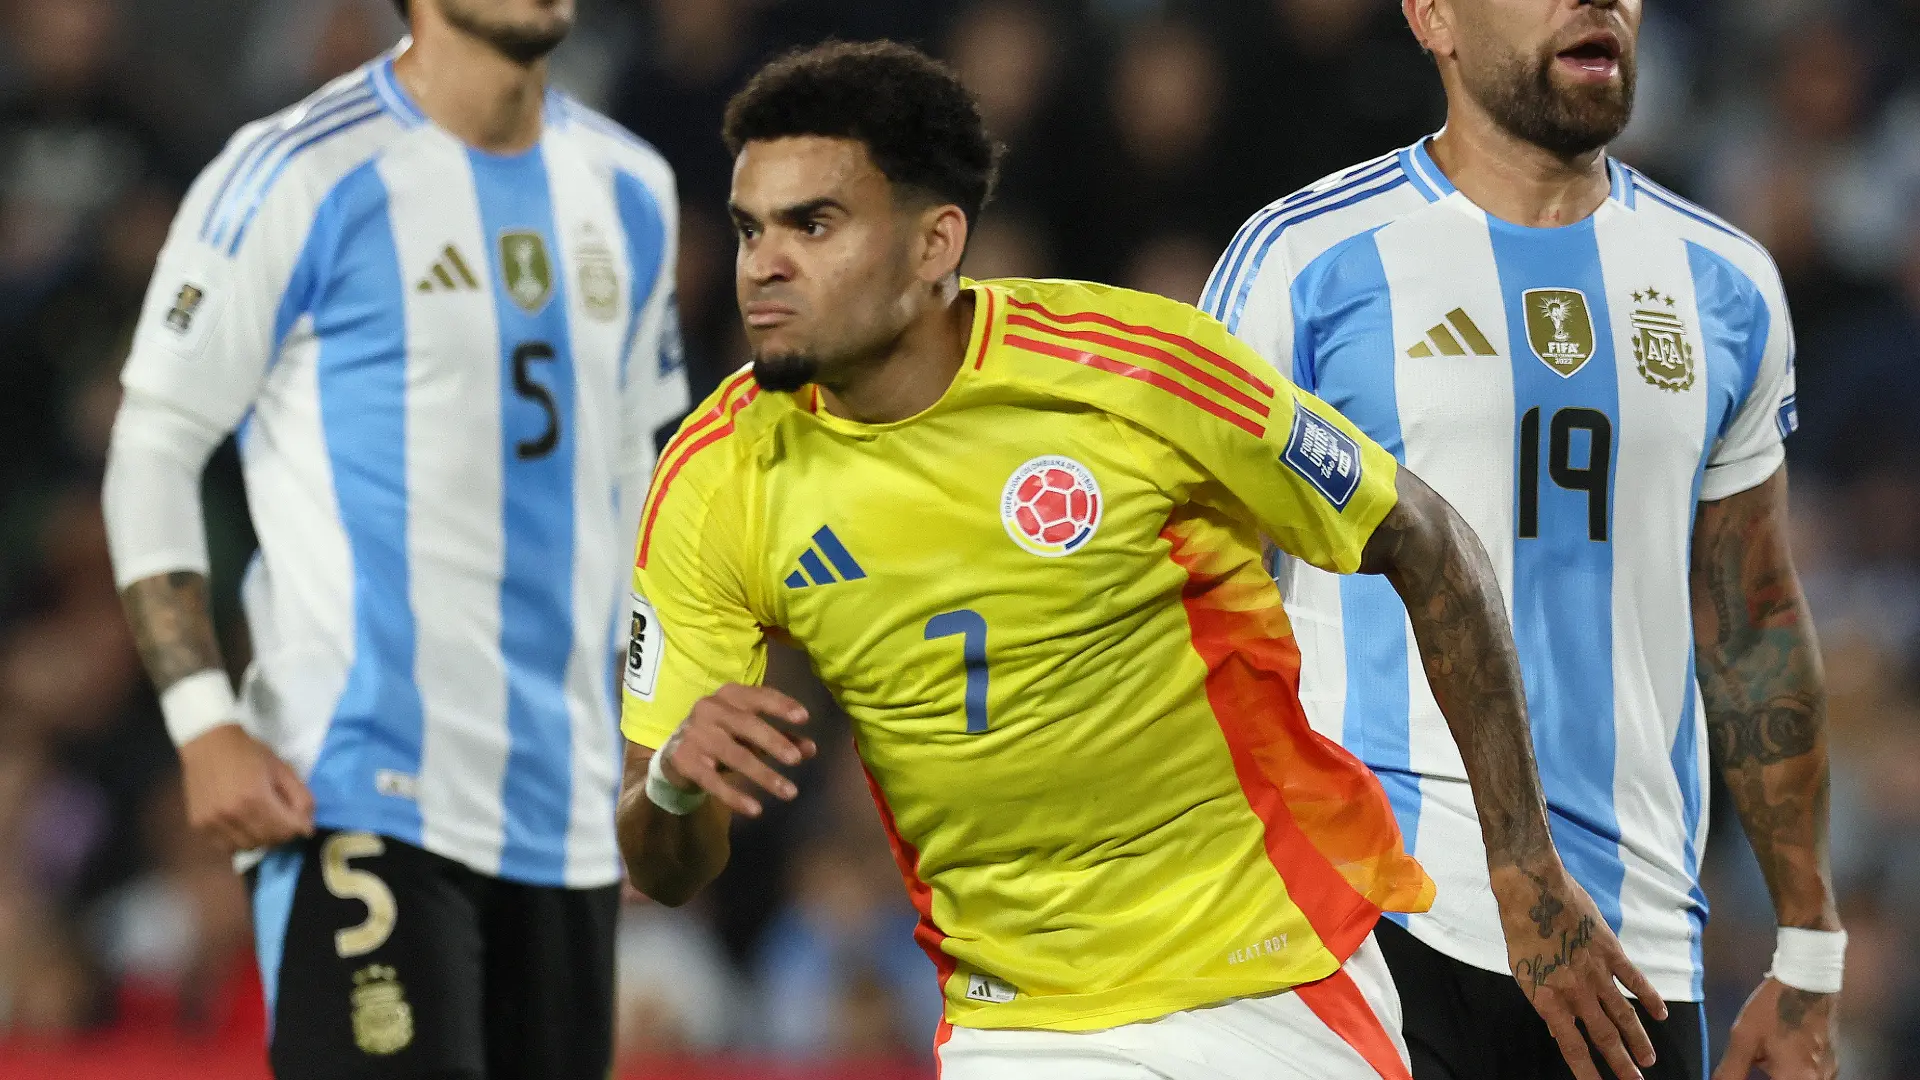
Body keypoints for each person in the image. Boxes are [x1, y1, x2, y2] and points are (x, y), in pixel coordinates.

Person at [616, 40, 1662, 1080]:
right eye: (752, 228)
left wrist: (1522, 860)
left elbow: (1429, 545)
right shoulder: (715, 479)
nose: (763, 263)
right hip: (1018, 1021)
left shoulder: (1132, 374)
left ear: (937, 243)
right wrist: (669, 785)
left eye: (814, 224)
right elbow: (664, 868)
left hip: (1266, 977)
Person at [1201, 2, 1842, 1079]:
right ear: (1434, 17)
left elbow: (1755, 624)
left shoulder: (1724, 281)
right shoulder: (1301, 259)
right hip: (1355, 923)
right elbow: (1193, 580)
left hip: (1632, 956)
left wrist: (1808, 952)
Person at [100, 0, 687, 1075]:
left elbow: (643, 482)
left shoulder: (632, 187)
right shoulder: (297, 172)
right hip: (357, 781)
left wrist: (651, 728)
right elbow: (155, 440)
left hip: (568, 810)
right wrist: (202, 721)